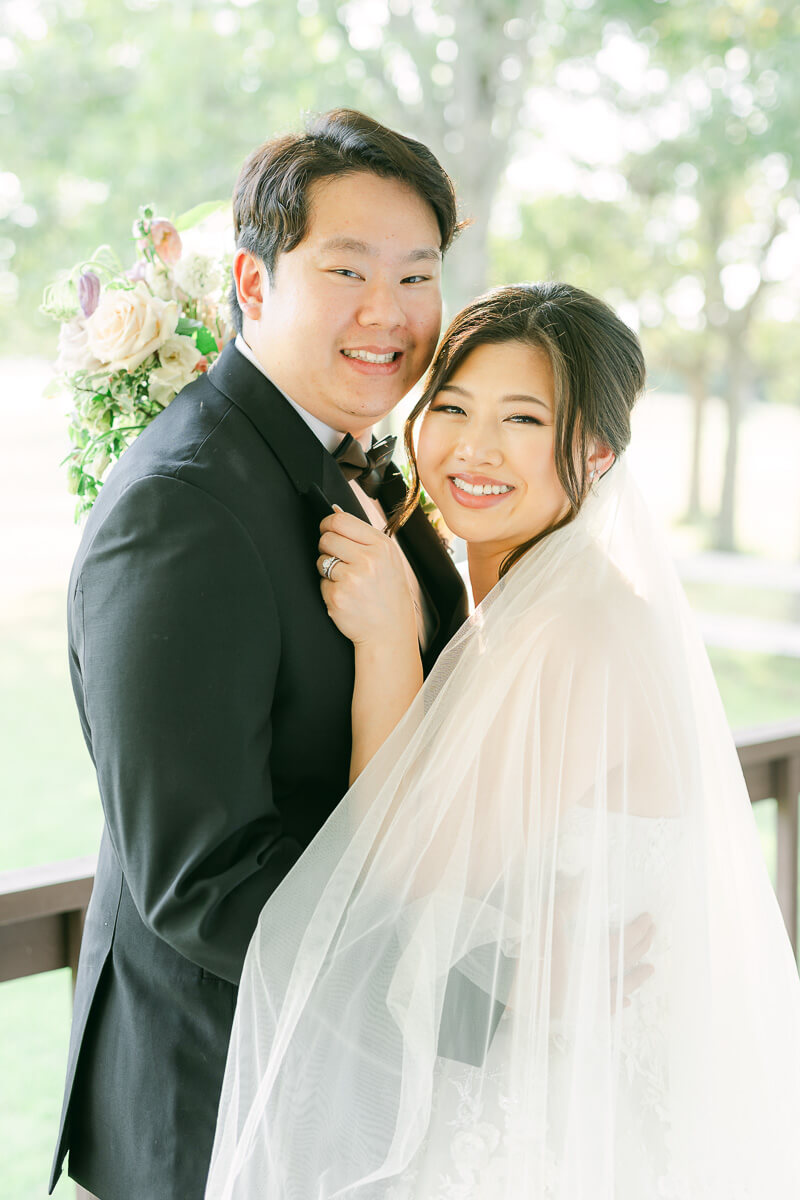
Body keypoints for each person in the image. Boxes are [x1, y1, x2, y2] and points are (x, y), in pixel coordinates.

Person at [207, 283, 800, 1198]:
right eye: (451, 406)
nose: (474, 448)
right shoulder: (531, 598)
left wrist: (387, 642)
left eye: (523, 418)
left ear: (597, 454)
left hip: (551, 1117)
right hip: (518, 1071)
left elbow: (394, 870)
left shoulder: (574, 628)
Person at [49, 109, 471, 1200]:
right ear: (250, 279)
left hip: (331, 1099)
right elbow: (202, 878)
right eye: (347, 270)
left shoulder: (338, 459)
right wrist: (472, 999)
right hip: (221, 1113)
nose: (389, 313)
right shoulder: (186, 505)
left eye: (417, 276)